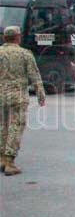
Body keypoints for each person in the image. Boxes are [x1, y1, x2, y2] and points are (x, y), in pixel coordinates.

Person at [0, 26, 45, 176]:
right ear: (18, 37)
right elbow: (34, 75)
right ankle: (9, 162)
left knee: (2, 127)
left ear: (4, 37)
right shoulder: (25, 54)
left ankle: (1, 158)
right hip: (18, 97)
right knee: (16, 126)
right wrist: (40, 95)